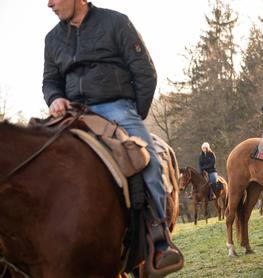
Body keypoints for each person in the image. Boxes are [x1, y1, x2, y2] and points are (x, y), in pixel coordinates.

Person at [43, 0, 181, 270]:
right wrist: (55, 98)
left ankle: (159, 239)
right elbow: (50, 80)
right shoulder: (52, 38)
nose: (48, 4)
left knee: (147, 159)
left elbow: (144, 71)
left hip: (116, 107)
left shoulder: (116, 22)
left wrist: (133, 113)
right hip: (72, 113)